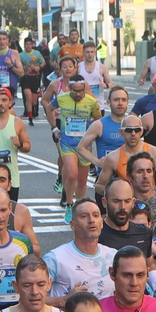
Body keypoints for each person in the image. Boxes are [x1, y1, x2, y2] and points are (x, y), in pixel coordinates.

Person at [49, 74, 101, 216]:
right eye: (75, 91)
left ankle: (80, 207)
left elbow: (98, 120)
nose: (78, 94)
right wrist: (54, 127)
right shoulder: (61, 98)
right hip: (67, 143)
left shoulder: (91, 101)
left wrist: (94, 134)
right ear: (69, 88)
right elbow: (49, 108)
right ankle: (70, 205)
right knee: (72, 174)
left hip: (84, 146)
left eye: (81, 91)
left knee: (83, 180)